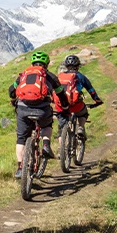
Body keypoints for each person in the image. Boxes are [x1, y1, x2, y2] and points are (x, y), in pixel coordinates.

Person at [8, 51, 69, 179]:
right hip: (42, 110)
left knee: (21, 138)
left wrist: (14, 101)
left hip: (23, 109)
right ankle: (46, 144)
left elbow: (11, 90)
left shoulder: (23, 75)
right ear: (46, 64)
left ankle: (20, 168)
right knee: (47, 125)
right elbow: (60, 93)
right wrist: (64, 106)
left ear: (32, 63)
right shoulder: (50, 76)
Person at [53, 55, 104, 139]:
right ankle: (80, 127)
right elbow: (91, 90)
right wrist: (97, 101)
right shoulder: (80, 76)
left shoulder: (60, 76)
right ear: (78, 66)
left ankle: (61, 148)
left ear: (66, 66)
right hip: (75, 105)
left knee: (61, 128)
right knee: (83, 113)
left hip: (61, 106)